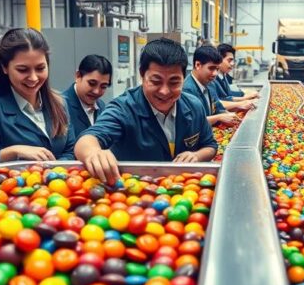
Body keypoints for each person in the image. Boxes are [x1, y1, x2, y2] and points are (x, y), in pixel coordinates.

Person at [75, 39, 217, 183]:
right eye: (156, 81)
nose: (164, 91)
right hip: (136, 195)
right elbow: (87, 139)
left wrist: (197, 156)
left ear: (183, 78)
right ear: (142, 76)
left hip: (183, 192)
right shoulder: (124, 108)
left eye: (174, 82)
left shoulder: (194, 106)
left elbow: (210, 146)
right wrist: (94, 153)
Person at [0, 28, 75, 169]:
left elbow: (70, 150)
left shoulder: (60, 103)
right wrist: (11, 152)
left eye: (40, 68)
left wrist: (53, 169)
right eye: (23, 70)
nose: (33, 78)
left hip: (56, 189)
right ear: (5, 67)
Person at [182, 45, 241, 126]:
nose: (215, 74)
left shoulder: (208, 83)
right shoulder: (187, 89)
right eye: (211, 68)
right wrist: (219, 117)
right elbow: (191, 122)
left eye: (217, 69)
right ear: (198, 65)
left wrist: (228, 115)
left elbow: (217, 106)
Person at [63, 54, 112, 137]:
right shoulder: (60, 107)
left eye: (103, 86)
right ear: (78, 76)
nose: (96, 91)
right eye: (92, 83)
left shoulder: (101, 106)